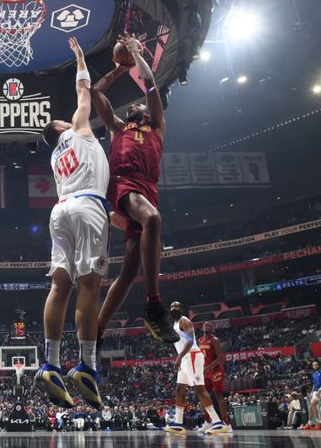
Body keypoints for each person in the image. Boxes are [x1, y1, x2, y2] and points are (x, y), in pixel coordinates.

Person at [36, 37, 111, 411]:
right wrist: (80, 59)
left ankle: (50, 363)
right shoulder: (77, 129)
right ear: (61, 127)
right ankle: (87, 366)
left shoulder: (54, 156)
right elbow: (85, 91)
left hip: (60, 210)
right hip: (87, 207)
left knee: (59, 285)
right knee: (90, 286)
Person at [90, 34, 178, 344]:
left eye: (138, 103)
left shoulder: (156, 126)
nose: (134, 105)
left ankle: (95, 332)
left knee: (129, 270)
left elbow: (150, 81)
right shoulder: (117, 127)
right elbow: (95, 92)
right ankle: (154, 305)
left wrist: (138, 54)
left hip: (146, 189)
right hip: (124, 185)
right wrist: (118, 68)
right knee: (153, 219)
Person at [163, 302, 228, 435]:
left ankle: (217, 422)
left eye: (177, 307)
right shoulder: (175, 324)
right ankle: (178, 423)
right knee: (179, 389)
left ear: (181, 309)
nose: (174, 309)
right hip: (185, 358)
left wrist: (179, 357)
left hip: (191, 355)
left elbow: (190, 341)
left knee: (199, 388)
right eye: (172, 307)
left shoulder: (184, 321)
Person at [198, 322, 230, 432]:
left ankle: (227, 423)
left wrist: (209, 367)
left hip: (216, 370)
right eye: (205, 325)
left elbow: (220, 358)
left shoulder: (214, 340)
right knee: (203, 396)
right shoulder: (200, 340)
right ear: (202, 328)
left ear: (212, 329)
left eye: (209, 325)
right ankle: (207, 422)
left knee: (218, 395)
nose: (206, 326)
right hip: (205, 371)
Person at [301, 361, 321, 430]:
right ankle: (309, 424)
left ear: (319, 365)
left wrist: (320, 390)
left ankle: (320, 422)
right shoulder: (314, 374)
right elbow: (314, 384)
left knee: (313, 405)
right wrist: (311, 392)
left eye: (316, 365)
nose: (315, 366)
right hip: (315, 391)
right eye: (314, 365)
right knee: (310, 407)